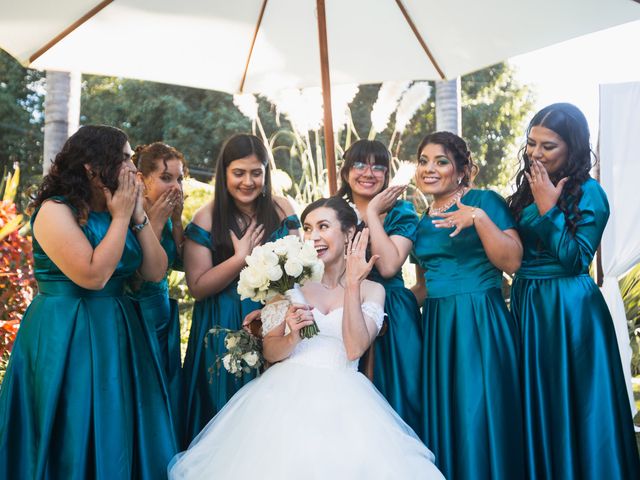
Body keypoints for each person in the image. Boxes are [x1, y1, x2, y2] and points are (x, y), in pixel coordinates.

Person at [169, 196, 444, 479]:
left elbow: (354, 349)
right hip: (281, 395)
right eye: (308, 228)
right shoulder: (289, 282)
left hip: (346, 398)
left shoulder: (372, 290)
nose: (313, 237)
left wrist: (351, 285)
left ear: (349, 233)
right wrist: (293, 337)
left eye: (323, 227)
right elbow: (270, 351)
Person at [0, 125, 177, 479]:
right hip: (67, 331)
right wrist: (123, 216)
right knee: (72, 425)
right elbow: (93, 275)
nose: (132, 167)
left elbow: (156, 271)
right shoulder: (55, 210)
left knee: (117, 427)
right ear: (91, 168)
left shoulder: (121, 209)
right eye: (124, 158)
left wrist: (138, 217)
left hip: (119, 332)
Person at [507, 103, 640, 479]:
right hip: (528, 304)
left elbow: (574, 259)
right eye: (532, 143)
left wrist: (549, 209)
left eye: (548, 146)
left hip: (571, 310)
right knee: (540, 403)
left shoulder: (592, 194)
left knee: (579, 405)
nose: (535, 153)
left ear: (573, 146)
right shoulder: (525, 188)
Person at [411, 131, 525, 480]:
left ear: (461, 170)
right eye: (424, 161)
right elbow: (424, 285)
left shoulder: (485, 201)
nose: (430, 168)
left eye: (441, 161)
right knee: (452, 415)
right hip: (438, 326)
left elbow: (513, 261)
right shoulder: (421, 221)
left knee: (481, 408)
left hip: (480, 320)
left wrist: (477, 218)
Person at [182, 133, 300, 446]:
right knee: (227, 411)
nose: (248, 181)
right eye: (239, 173)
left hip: (275, 316)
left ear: (266, 173)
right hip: (223, 323)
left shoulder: (281, 208)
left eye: (256, 173)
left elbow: (301, 263)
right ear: (224, 173)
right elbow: (197, 286)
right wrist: (239, 259)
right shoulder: (206, 218)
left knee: (277, 411)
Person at [336, 139, 423, 436]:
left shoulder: (403, 213)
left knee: (398, 399)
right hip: (344, 311)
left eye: (378, 166)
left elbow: (387, 266)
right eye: (359, 164)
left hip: (393, 314)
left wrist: (372, 214)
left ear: (387, 174)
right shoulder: (334, 213)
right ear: (346, 171)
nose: (368, 172)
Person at [130, 142, 187, 440]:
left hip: (163, 313)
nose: (175, 186)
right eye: (167, 177)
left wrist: (176, 221)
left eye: (179, 178)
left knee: (166, 388)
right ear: (141, 178)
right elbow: (140, 274)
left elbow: (181, 263)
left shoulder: (170, 213)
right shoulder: (130, 216)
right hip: (136, 314)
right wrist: (158, 219)